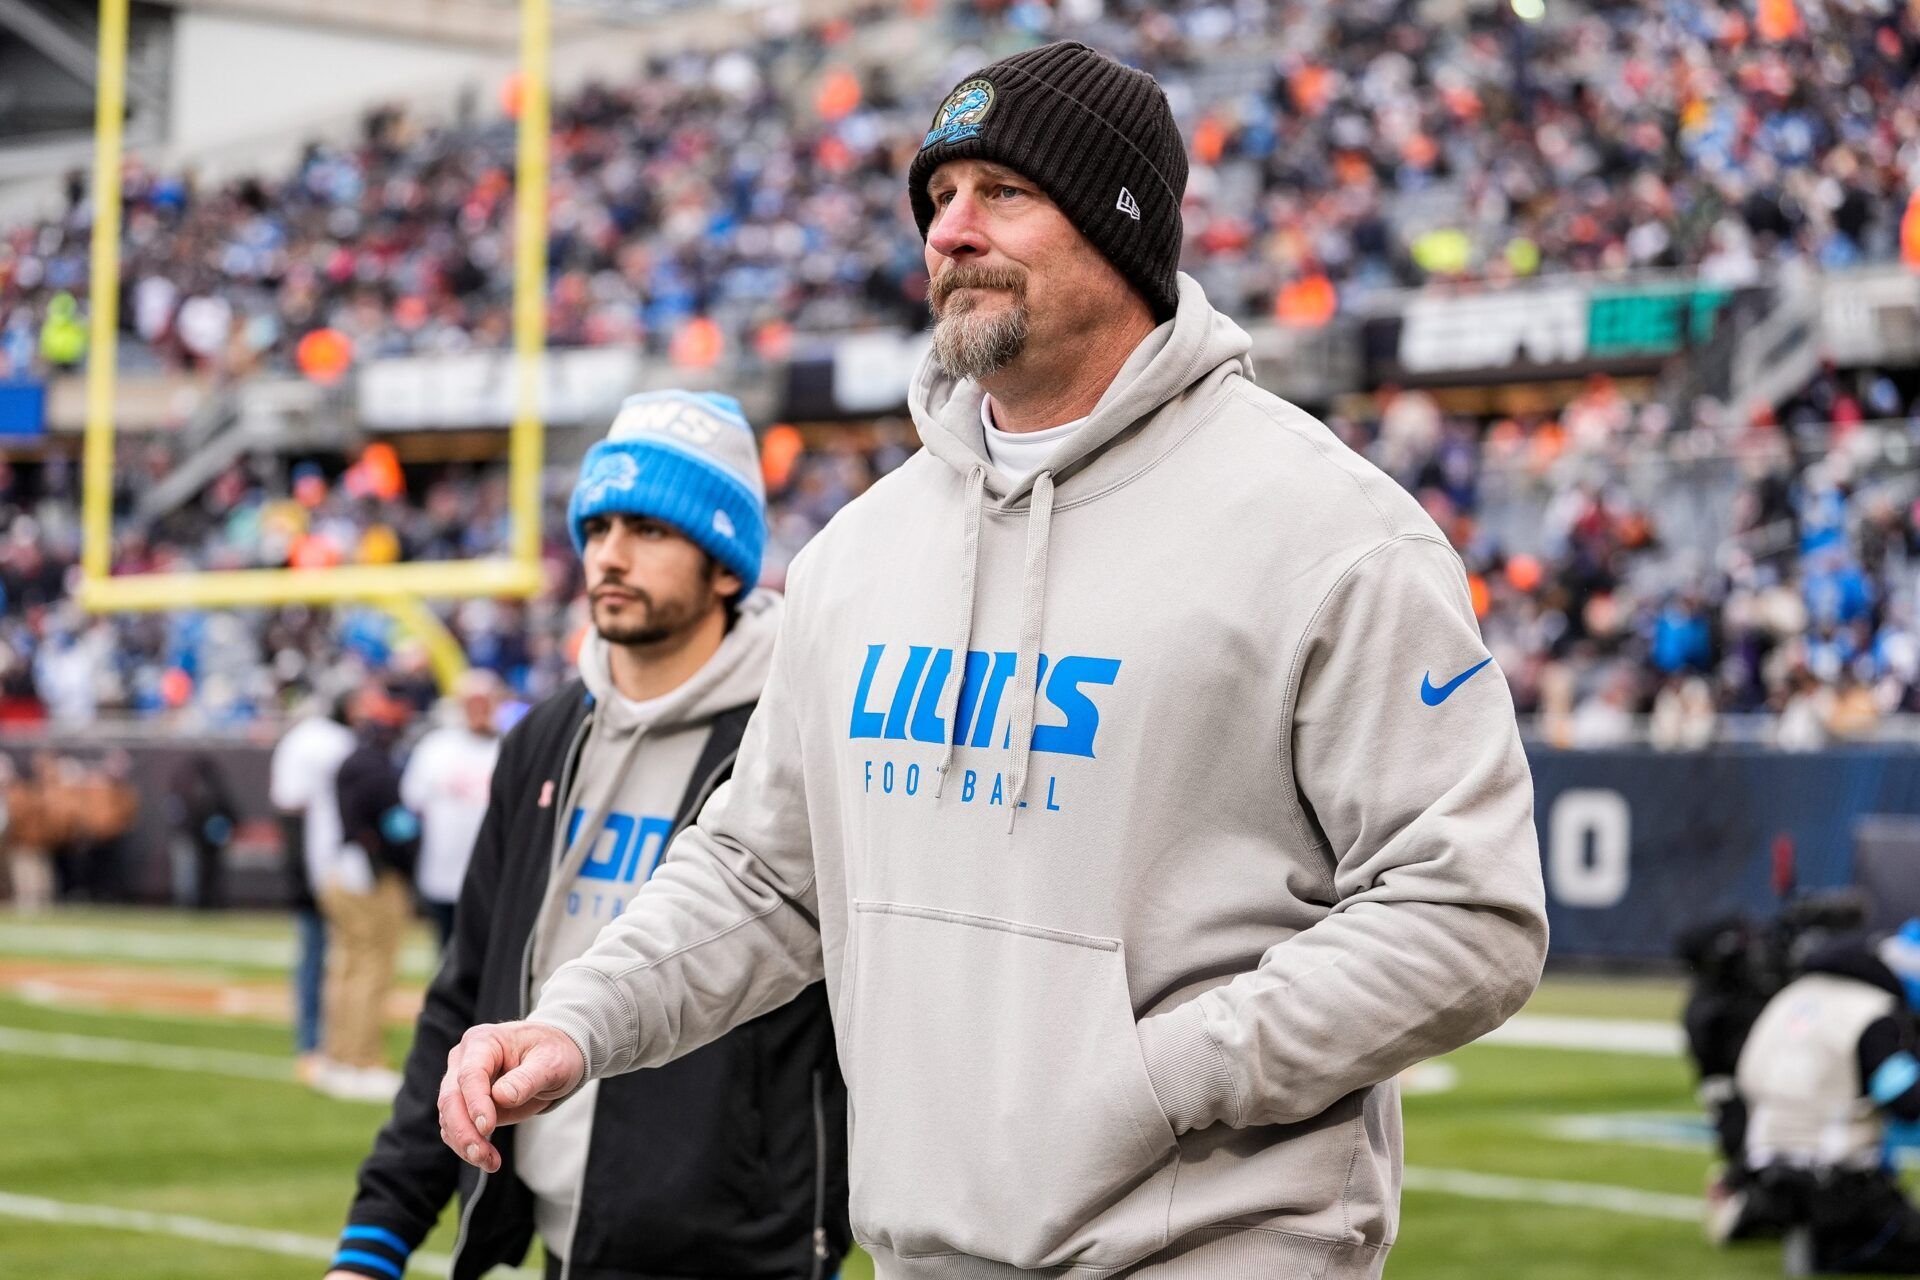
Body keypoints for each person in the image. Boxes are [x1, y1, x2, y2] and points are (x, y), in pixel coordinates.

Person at [438, 42, 1546, 1278]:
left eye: (1002, 191)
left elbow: (1466, 912)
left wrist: (1155, 1074)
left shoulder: (1328, 532)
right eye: (938, 196)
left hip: (1213, 1246)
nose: (951, 231)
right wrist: (578, 1021)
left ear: (1122, 231)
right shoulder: (862, 552)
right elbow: (763, 871)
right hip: (923, 1250)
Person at [325, 390, 849, 1280]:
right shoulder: (547, 736)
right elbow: (469, 992)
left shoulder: (797, 735)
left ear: (726, 564)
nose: (609, 555)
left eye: (649, 529)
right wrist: (379, 1234)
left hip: (738, 1249)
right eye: (598, 525)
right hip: (558, 1235)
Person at [1737, 923, 1920, 1273]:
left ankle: (1763, 1215)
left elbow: (1746, 1075)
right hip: (1833, 1176)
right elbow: (1908, 1102)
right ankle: (1830, 1246)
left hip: (1762, 1164)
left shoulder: (1789, 997)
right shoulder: (1873, 1012)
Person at [316, 680, 419, 1101]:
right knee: (371, 969)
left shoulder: (351, 762)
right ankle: (360, 1059)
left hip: (343, 870)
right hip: (371, 877)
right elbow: (397, 828)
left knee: (346, 966)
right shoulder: (376, 768)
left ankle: (338, 1055)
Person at [271, 691, 357, 1083]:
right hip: (337, 865)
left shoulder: (308, 741)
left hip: (331, 863)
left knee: (329, 956)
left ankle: (326, 1044)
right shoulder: (326, 742)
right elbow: (293, 810)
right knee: (329, 955)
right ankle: (320, 1044)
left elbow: (290, 808)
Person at [399, 669, 504, 950]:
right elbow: (412, 803)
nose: (479, 710)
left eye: (485, 702)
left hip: (492, 877)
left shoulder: (508, 748)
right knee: (445, 954)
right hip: (442, 873)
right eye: (472, 702)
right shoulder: (436, 747)